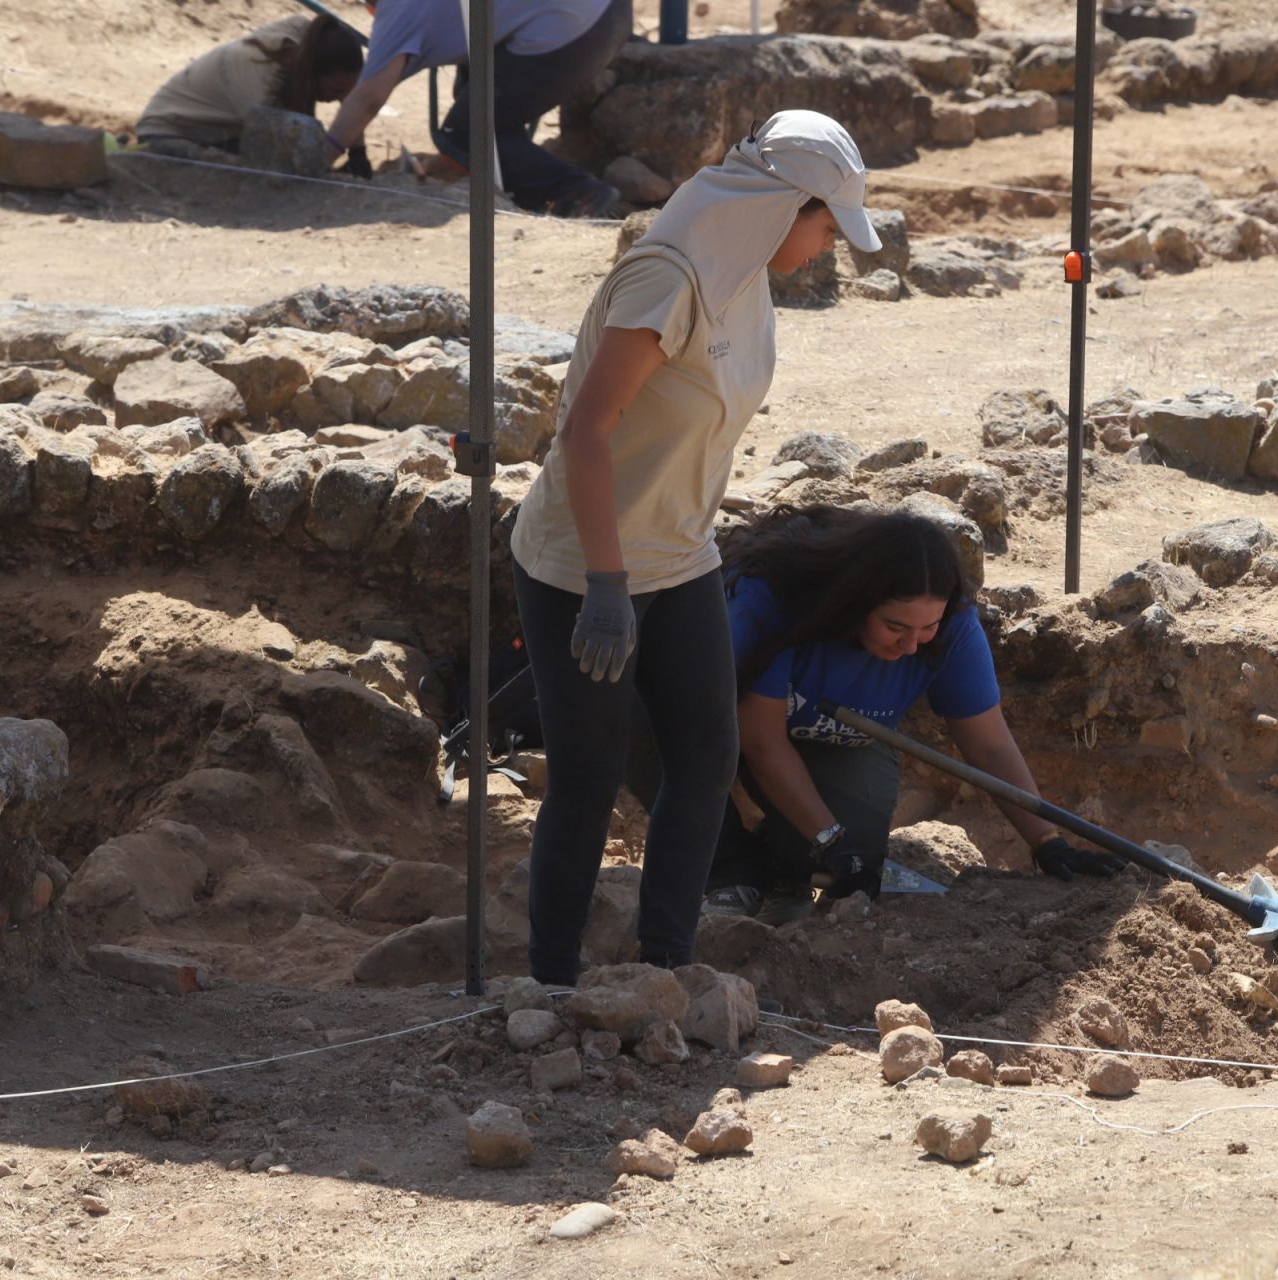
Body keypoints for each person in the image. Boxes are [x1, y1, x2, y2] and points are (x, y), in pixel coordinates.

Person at [508, 110, 885, 984]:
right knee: (589, 779)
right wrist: (606, 585)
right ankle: (553, 983)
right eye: (825, 224)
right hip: (584, 566)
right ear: (782, 206)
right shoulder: (665, 280)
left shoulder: (742, 271)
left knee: (709, 757)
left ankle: (664, 968)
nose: (828, 245)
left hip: (679, 554)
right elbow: (588, 434)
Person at [703, 506, 1127, 923]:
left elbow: (990, 746)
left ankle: (780, 869)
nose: (910, 647)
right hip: (719, 720)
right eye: (894, 627)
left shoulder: (955, 627)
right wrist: (827, 838)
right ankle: (725, 866)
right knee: (679, 737)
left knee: (858, 854)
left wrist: (1047, 841)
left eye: (927, 629)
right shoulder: (776, 600)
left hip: (827, 740)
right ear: (856, 601)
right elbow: (761, 741)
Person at [324, 0, 629, 215]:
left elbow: (367, 97)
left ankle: (580, 194)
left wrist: (319, 156)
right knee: (475, 95)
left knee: (466, 132)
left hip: (580, 31)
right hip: (608, 12)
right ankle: (515, 182)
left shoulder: (399, 10)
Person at [136, 14, 364, 154]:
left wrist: (357, 151)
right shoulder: (265, 89)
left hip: (225, 129)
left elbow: (348, 93)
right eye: (335, 91)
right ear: (312, 75)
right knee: (246, 172)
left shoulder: (308, 35)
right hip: (168, 132)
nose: (338, 99)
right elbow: (278, 157)